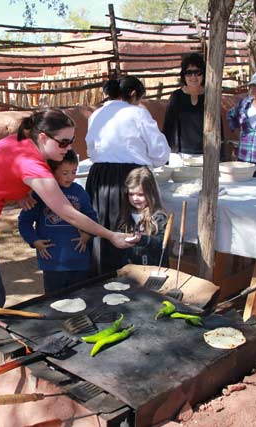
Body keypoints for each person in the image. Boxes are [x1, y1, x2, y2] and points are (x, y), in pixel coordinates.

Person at [0, 108, 133, 307]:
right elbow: (68, 213)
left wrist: (20, 193)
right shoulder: (32, 165)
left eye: (72, 141)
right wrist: (111, 235)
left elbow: (3, 171)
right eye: (63, 142)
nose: (68, 148)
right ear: (42, 137)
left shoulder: (23, 140)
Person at [85, 76, 171, 274]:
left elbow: (91, 150)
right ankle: (129, 279)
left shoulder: (96, 114)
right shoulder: (137, 113)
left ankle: (102, 280)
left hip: (99, 179)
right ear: (133, 94)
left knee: (102, 230)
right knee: (127, 230)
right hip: (130, 177)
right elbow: (160, 153)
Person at [18, 149, 96, 294]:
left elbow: (92, 217)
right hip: (52, 263)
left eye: (74, 172)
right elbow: (24, 222)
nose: (70, 177)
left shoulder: (79, 192)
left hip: (79, 261)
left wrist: (87, 235)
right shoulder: (41, 193)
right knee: (54, 301)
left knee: (80, 298)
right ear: (52, 172)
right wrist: (34, 241)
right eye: (65, 173)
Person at [116, 167, 169, 268]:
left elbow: (162, 243)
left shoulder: (158, 217)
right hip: (130, 271)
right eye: (131, 194)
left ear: (151, 193)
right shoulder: (125, 215)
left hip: (153, 271)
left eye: (140, 194)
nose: (135, 198)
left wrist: (142, 239)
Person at [163, 53, 207, 156]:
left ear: (204, 74)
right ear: (183, 75)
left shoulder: (210, 97)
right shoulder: (176, 97)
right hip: (181, 155)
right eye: (189, 73)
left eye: (197, 72)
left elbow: (218, 128)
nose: (193, 77)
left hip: (206, 154)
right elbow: (168, 127)